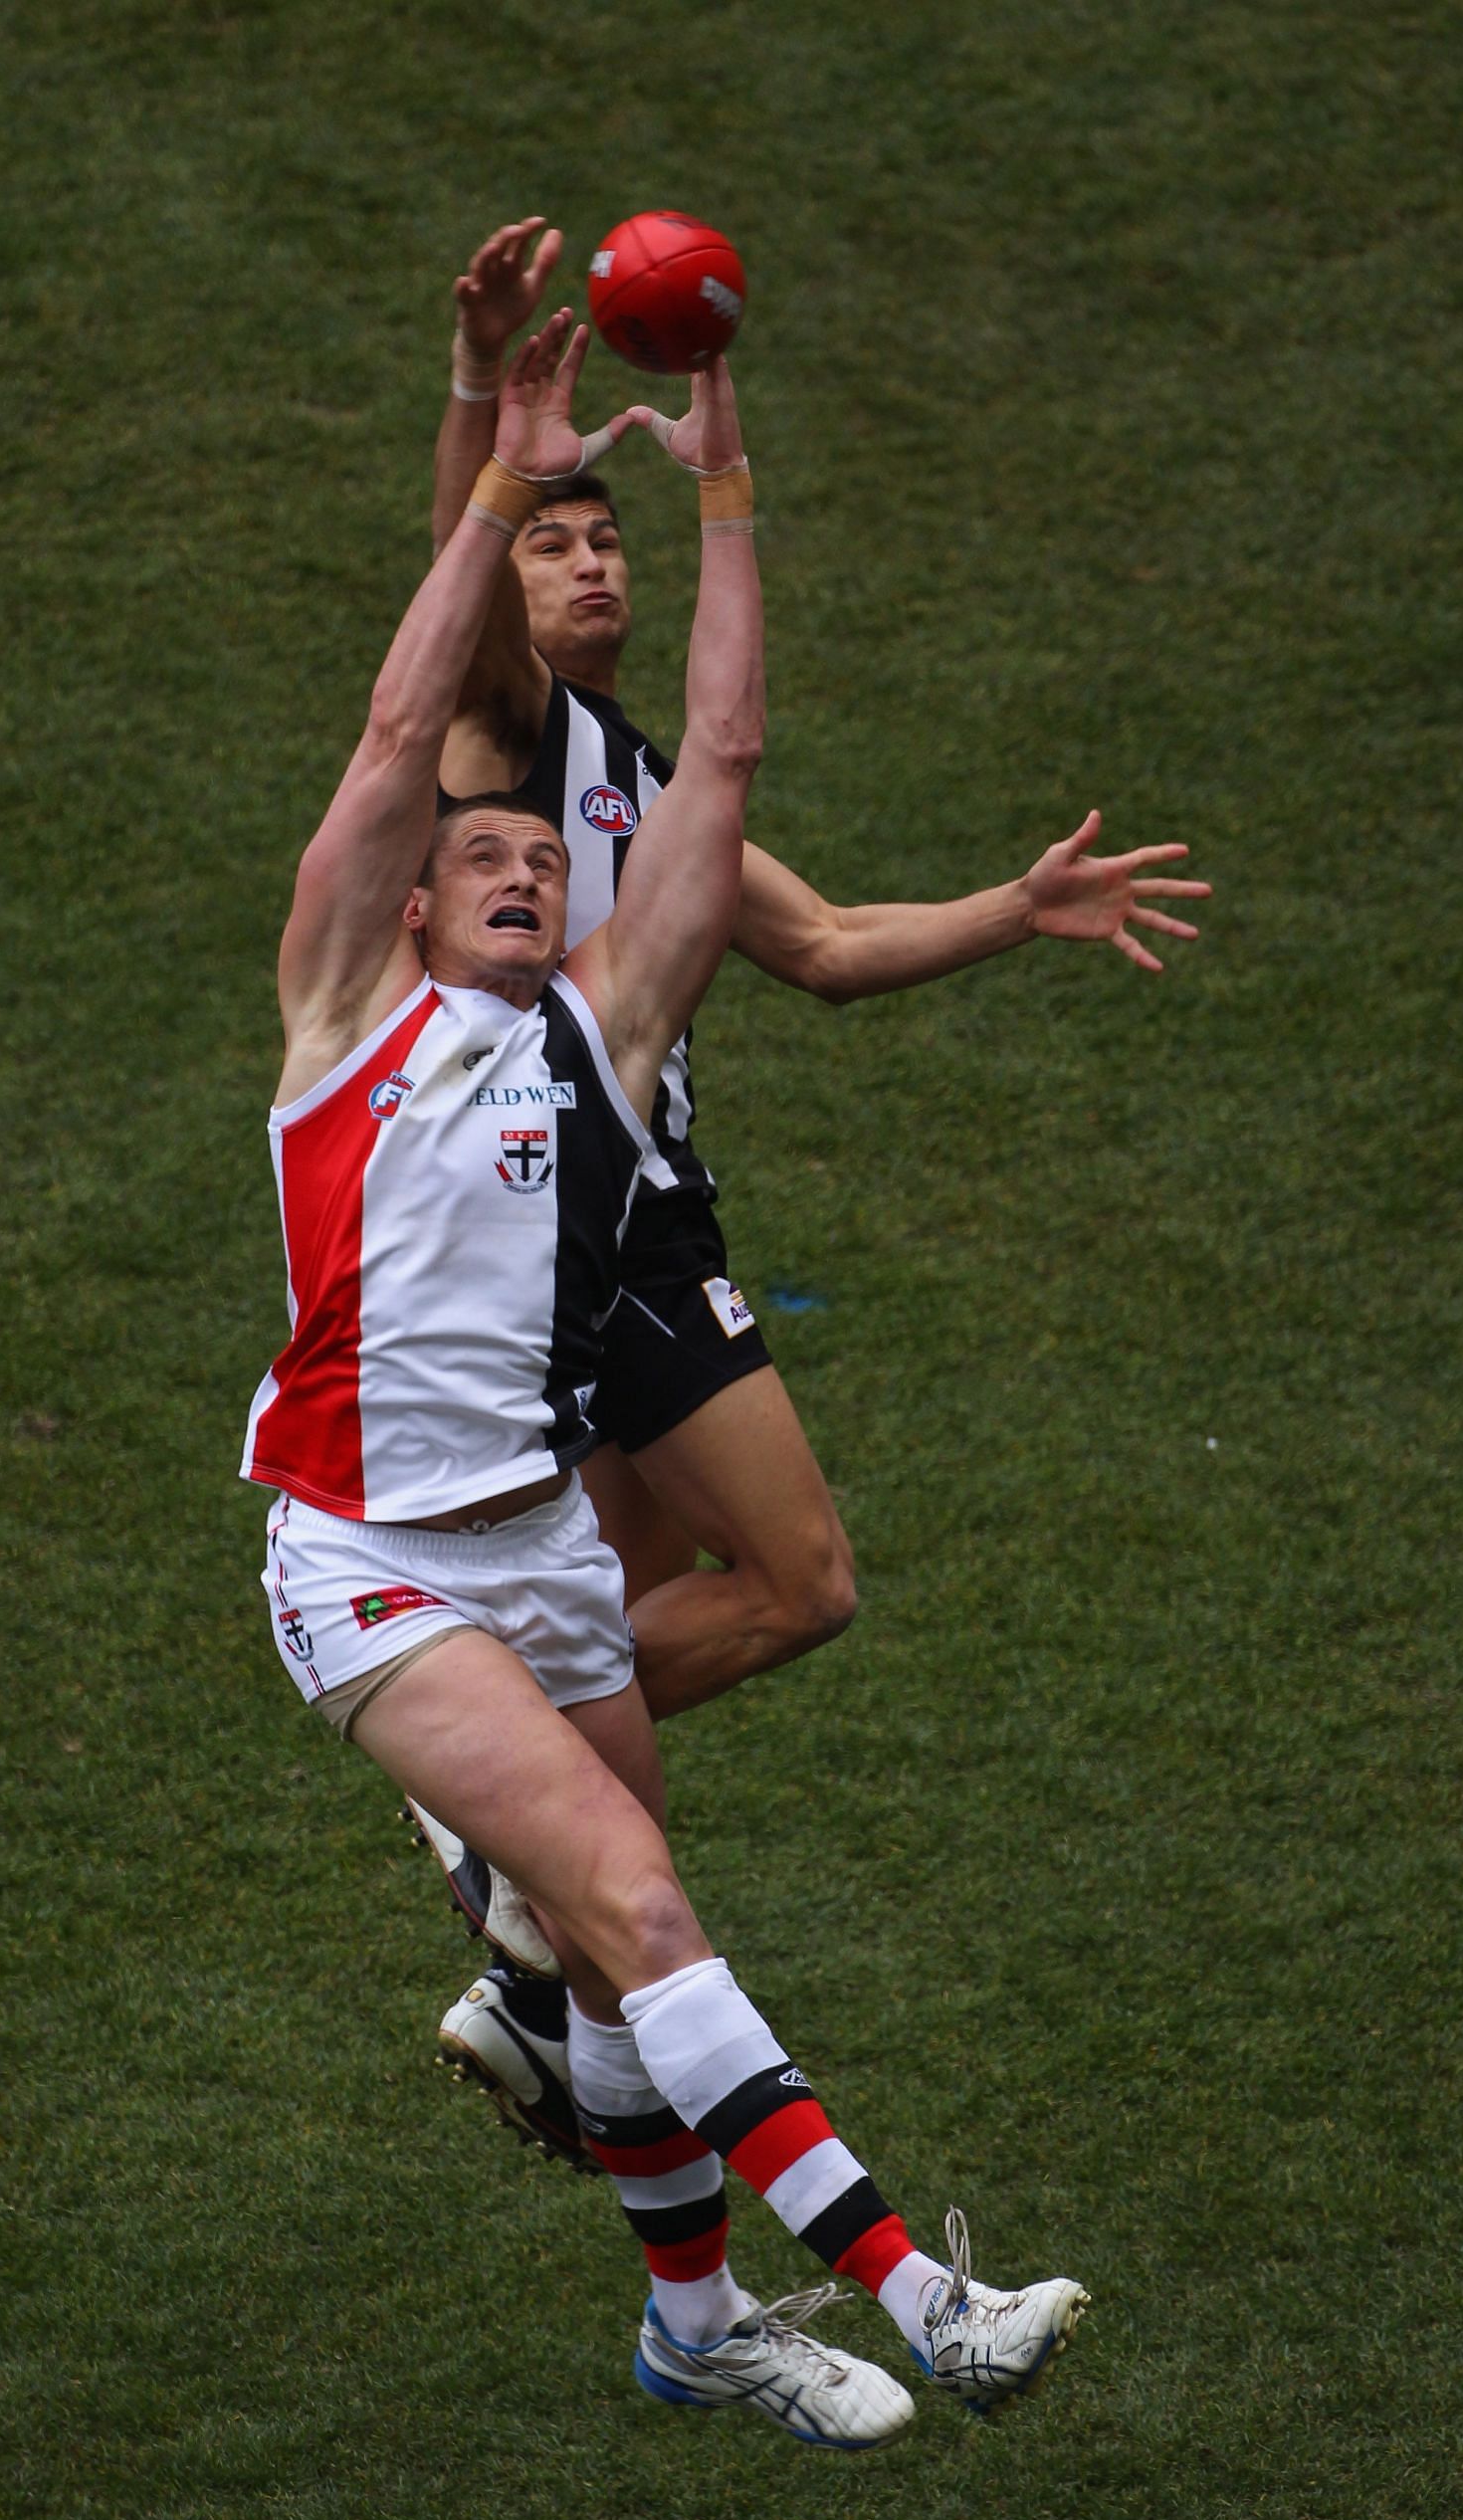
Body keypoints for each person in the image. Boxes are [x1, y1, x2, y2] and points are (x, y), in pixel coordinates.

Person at [243, 309, 1089, 2447]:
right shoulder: (341, 1019)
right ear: (411, 897)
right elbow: (398, 715)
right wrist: (502, 472)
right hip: (366, 1560)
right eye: (489, 856)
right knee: (635, 1895)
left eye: (548, 860)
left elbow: (719, 775)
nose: (530, 863)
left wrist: (722, 481)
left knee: (618, 1944)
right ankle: (917, 2294)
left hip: (533, 1541)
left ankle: (694, 2328)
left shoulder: (603, 1053)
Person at [421, 220, 1210, 2163]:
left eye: (613, 537)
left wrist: (1018, 912)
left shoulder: (631, 765)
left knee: (603, 1637)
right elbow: (448, 602)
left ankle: (547, 2001)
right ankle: (482, 1806)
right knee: (800, 1584)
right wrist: (482, 432)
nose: (596, 558)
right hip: (583, 1238)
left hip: (595, 1229)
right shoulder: (502, 729)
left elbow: (836, 944)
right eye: (559, 537)